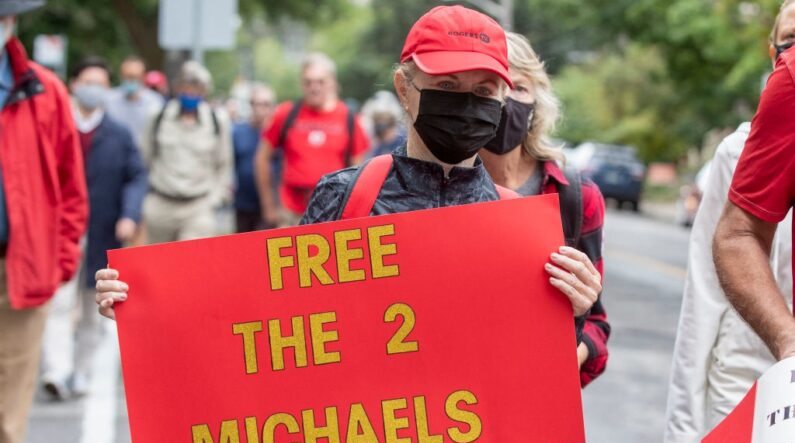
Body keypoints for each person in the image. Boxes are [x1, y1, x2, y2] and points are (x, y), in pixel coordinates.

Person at [96, 7, 601, 369]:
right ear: (405, 89)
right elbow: (265, 323)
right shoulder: (345, 195)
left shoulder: (525, 226)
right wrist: (147, 301)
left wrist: (571, 315)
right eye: (447, 87)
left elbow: (542, 365)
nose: (466, 104)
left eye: (483, 91)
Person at [665, 5, 795, 443]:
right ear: (773, 50)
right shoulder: (735, 152)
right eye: (791, 41)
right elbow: (702, 291)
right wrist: (682, 430)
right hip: (744, 378)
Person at [478, 32, 610, 387]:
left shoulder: (575, 196)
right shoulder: (438, 188)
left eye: (519, 88)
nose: (507, 102)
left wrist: (562, 361)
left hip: (531, 392)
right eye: (492, 89)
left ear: (537, 100)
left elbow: (595, 323)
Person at [0, 0, 89, 443]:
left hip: (21, 268)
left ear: (10, 22)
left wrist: (61, 259)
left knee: (7, 415)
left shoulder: (43, 90)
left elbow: (71, 187)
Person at [39, 57, 147, 400]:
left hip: (103, 226)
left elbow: (136, 176)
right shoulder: (55, 128)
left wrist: (129, 214)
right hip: (61, 230)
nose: (93, 90)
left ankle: (81, 371)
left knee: (92, 303)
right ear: (73, 84)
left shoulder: (118, 134)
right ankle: (56, 370)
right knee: (58, 299)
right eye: (88, 82)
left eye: (101, 84)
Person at [713, 0, 795, 366]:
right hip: (741, 366)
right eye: (788, 38)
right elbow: (736, 235)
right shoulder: (791, 79)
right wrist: (788, 339)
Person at [254, 52, 370, 228]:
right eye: (308, 82)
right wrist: (268, 205)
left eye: (320, 82)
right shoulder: (286, 114)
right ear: (301, 84)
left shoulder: (348, 118)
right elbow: (262, 159)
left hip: (333, 212)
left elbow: (361, 172)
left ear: (332, 82)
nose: (314, 87)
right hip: (290, 213)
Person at [140, 60, 232, 243]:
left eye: (196, 88)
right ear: (177, 88)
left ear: (204, 91)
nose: (190, 93)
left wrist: (215, 199)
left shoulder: (216, 121)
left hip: (198, 206)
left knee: (192, 265)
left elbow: (224, 164)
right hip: (161, 203)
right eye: (186, 87)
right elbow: (145, 158)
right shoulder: (158, 116)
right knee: (159, 265)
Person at [233, 83, 276, 233]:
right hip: (243, 203)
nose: (260, 109)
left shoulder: (277, 135)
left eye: (265, 104)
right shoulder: (238, 132)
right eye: (256, 104)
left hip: (270, 203)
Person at [105, 55, 165, 147]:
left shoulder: (155, 102)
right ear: (121, 76)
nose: (131, 80)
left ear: (143, 77)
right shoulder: (108, 100)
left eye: (135, 77)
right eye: (128, 76)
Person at [361, 90, 407, 159]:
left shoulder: (404, 140)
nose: (381, 122)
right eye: (378, 118)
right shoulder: (376, 144)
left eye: (384, 118)